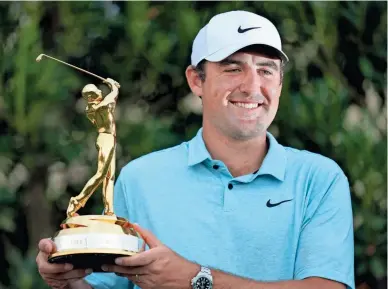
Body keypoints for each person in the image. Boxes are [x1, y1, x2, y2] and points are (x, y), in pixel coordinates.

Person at [36, 10, 355, 289]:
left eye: (266, 70)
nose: (252, 85)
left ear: (280, 84)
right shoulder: (141, 179)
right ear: (196, 80)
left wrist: (195, 278)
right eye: (233, 68)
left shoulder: (320, 179)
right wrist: (67, 281)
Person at [66, 78, 120, 217]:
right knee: (101, 174)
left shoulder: (95, 108)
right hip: (106, 139)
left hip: (110, 139)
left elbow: (111, 103)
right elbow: (112, 95)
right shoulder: (99, 106)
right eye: (90, 95)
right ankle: (77, 201)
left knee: (110, 176)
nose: (94, 95)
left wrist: (111, 86)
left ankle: (109, 210)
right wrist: (113, 85)